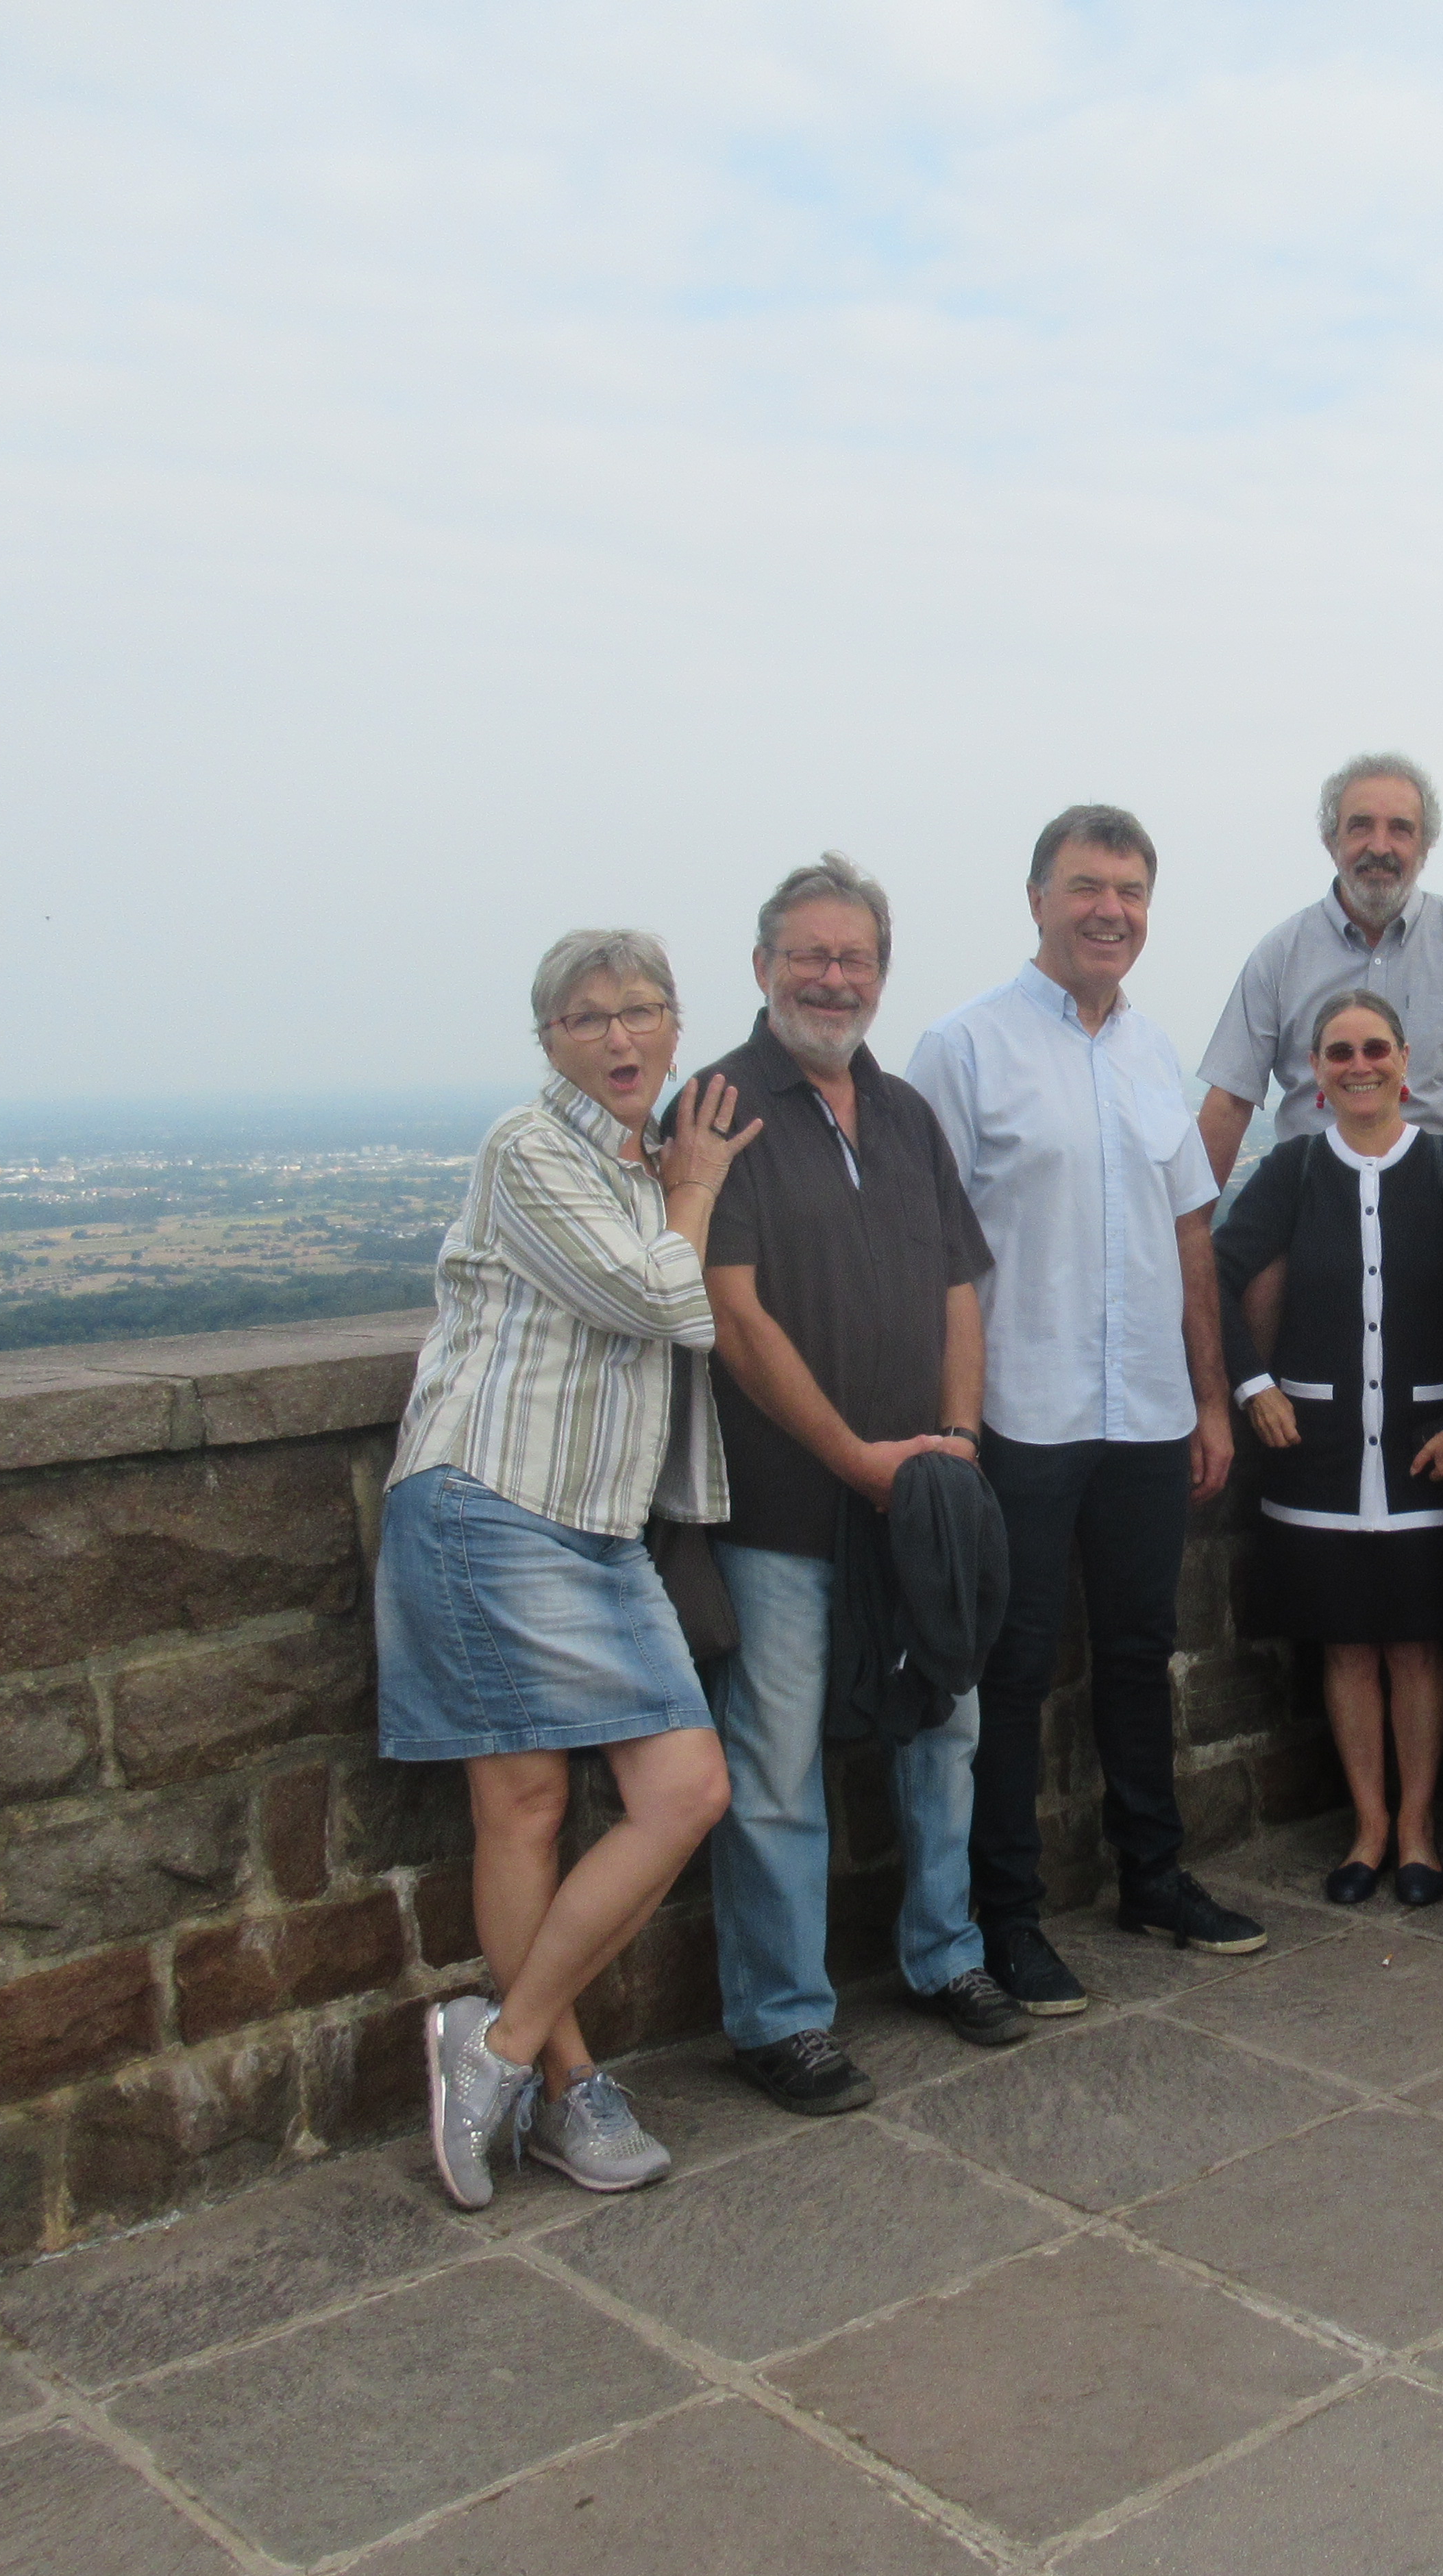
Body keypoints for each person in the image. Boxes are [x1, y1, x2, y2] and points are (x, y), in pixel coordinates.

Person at [377, 931, 756, 2209]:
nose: (620, 1036)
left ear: (675, 1023)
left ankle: (494, 2045)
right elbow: (658, 1301)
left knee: (685, 1789)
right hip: (489, 1499)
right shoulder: (528, 1149)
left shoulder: (640, 1168)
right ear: (549, 1040)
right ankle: (564, 2086)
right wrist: (695, 1189)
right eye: (587, 1018)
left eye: (642, 1011)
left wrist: (676, 1183)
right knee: (525, 1805)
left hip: (598, 1527)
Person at [910, 805, 1268, 2015]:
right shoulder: (963, 1049)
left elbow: (1189, 1235)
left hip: (1146, 1412)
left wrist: (1209, 1398)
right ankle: (1005, 1919)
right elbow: (929, 1248)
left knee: (1135, 1651)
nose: (1109, 910)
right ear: (1036, 899)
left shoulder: (1153, 1050)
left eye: (1130, 891)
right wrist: (953, 1420)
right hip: (1019, 1406)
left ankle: (1151, 1877)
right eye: (1086, 887)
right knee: (1009, 1672)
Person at [695, 856, 1027, 2122]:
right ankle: (781, 2017)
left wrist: (955, 1439)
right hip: (782, 1511)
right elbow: (731, 1315)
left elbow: (956, 1288)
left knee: (945, 1734)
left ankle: (945, 1954)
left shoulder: (903, 1114)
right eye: (810, 955)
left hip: (920, 1499)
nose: (833, 979)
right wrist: (853, 1458)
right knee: (776, 1765)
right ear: (763, 964)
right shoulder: (718, 1107)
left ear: (881, 973)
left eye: (856, 958)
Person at [1211, 990, 1443, 1906]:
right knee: (1345, 1647)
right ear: (1316, 1074)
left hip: (1422, 1451)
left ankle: (1419, 1830)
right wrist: (1252, 1384)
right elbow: (1211, 1274)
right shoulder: (1292, 1170)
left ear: (1405, 1062)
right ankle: (1368, 1828)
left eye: (1375, 1049)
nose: (1358, 1065)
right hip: (1319, 1455)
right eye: (1339, 1052)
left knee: (1415, 1645)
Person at [1194, 752, 1443, 1180]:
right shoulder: (1279, 956)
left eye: (1400, 829)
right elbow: (1229, 1103)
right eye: (1361, 826)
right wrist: (1194, 1219)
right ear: (1331, 841)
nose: (1380, 847)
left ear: (1425, 847)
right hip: (1316, 1202)